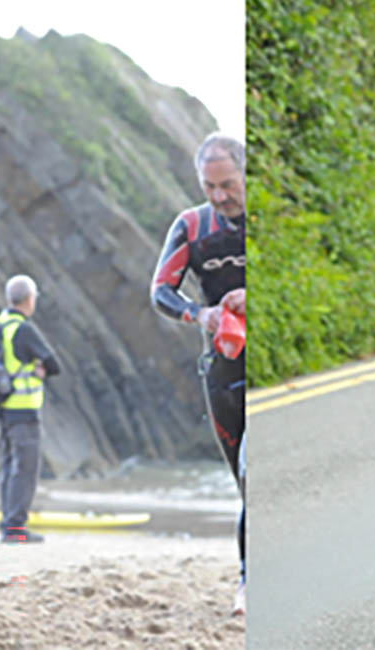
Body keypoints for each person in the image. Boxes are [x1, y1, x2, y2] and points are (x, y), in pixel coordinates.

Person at [150, 133, 247, 616]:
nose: (219, 196)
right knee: (245, 482)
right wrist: (200, 315)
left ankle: (251, 583)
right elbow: (160, 291)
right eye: (209, 186)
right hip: (223, 367)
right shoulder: (192, 225)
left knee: (257, 470)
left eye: (228, 184)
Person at [0, 274, 61, 545]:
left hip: (3, 408)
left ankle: (8, 523)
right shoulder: (23, 329)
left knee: (9, 466)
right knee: (26, 468)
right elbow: (53, 363)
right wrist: (38, 369)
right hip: (24, 409)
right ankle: (15, 527)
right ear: (29, 300)